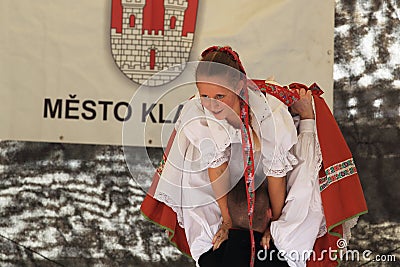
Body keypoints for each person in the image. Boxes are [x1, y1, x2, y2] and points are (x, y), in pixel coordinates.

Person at [140, 46, 368, 267]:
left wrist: (274, 224)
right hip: (230, 180)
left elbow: (276, 175)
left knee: (306, 186)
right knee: (190, 167)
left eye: (220, 96)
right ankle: (212, 240)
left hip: (275, 179)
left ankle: (306, 119)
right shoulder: (200, 113)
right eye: (205, 96)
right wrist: (227, 221)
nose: (212, 104)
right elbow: (216, 168)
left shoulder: (270, 114)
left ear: (239, 87)